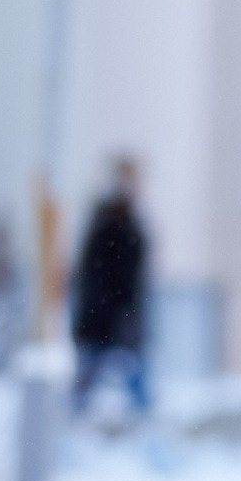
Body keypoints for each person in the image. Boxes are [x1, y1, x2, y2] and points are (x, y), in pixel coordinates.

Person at [71, 155, 150, 415]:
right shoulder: (106, 223)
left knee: (137, 392)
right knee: (84, 390)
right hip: (102, 319)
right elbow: (94, 276)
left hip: (123, 320)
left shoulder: (132, 223)